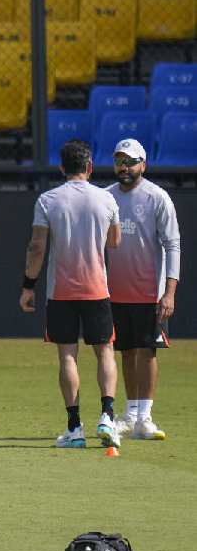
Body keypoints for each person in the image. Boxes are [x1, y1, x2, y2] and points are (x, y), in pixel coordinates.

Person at [19, 139, 122, 449]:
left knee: (67, 354)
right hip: (96, 288)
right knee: (104, 350)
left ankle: (75, 427)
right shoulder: (107, 200)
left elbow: (37, 247)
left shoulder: (48, 200)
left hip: (60, 291)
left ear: (62, 168)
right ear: (89, 167)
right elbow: (114, 242)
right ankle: (107, 416)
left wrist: (28, 285)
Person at [105, 139, 180, 440]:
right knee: (124, 350)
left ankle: (145, 418)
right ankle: (129, 414)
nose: (125, 167)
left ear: (143, 165)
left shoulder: (157, 197)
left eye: (131, 161)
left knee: (147, 351)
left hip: (149, 292)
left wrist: (169, 292)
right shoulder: (105, 197)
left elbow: (172, 244)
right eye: (120, 161)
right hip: (114, 291)